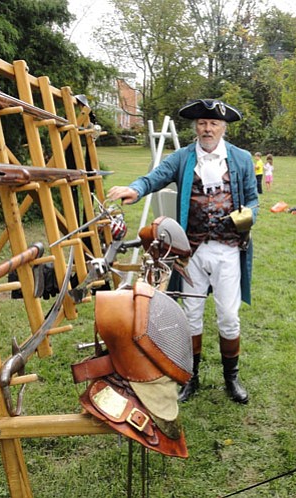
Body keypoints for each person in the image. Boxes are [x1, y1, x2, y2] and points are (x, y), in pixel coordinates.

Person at [107, 98, 258, 405]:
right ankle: (191, 378)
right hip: (192, 251)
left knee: (229, 316)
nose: (207, 128)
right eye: (202, 123)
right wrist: (135, 189)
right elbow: (155, 177)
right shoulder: (183, 157)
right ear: (195, 127)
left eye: (214, 123)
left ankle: (232, 377)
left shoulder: (241, 159)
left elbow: (254, 199)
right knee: (190, 317)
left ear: (223, 127)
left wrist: (248, 216)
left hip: (229, 250)